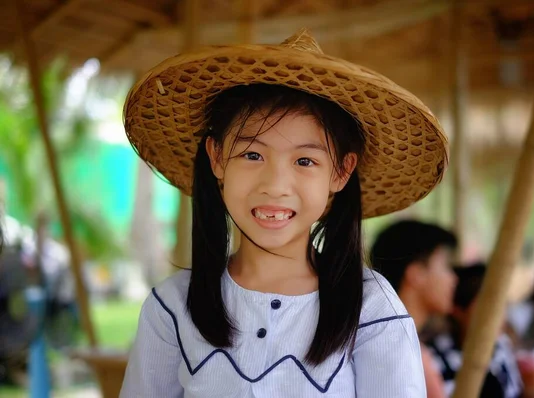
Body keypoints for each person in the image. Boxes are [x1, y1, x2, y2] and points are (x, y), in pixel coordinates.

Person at [119, 29, 449, 397]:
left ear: (340, 172)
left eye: (304, 161)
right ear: (215, 157)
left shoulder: (372, 309)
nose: (276, 185)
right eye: (252, 155)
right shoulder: (172, 306)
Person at [370, 219, 458, 398]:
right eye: (445, 266)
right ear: (416, 274)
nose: (453, 278)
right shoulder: (407, 354)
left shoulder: (386, 340)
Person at [427, 263, 523, 398]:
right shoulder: (435, 359)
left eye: (503, 305)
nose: (500, 317)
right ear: (458, 310)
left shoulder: (502, 347)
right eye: (488, 307)